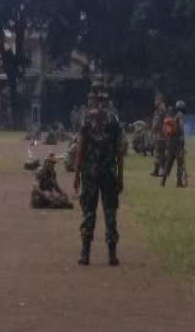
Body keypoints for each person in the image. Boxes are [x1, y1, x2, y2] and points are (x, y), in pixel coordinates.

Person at [73, 75, 124, 266]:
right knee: (110, 212)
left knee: (89, 211)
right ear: (105, 97)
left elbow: (80, 148)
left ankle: (85, 253)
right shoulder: (114, 119)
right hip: (109, 173)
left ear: (93, 97)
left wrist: (77, 174)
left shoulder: (86, 118)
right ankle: (112, 254)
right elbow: (119, 151)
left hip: (91, 174)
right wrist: (120, 176)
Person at [162, 100, 187, 188]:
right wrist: (183, 138)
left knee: (169, 161)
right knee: (180, 161)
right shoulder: (180, 115)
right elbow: (181, 126)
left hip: (171, 141)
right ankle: (179, 182)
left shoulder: (175, 116)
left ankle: (163, 181)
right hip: (177, 141)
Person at [149, 94, 167, 177]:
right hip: (159, 134)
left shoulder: (161, 110)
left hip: (161, 135)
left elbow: (157, 122)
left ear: (160, 101)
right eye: (155, 100)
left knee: (160, 153)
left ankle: (162, 170)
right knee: (159, 153)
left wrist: (152, 130)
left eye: (157, 100)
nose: (155, 102)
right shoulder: (158, 110)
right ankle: (157, 170)